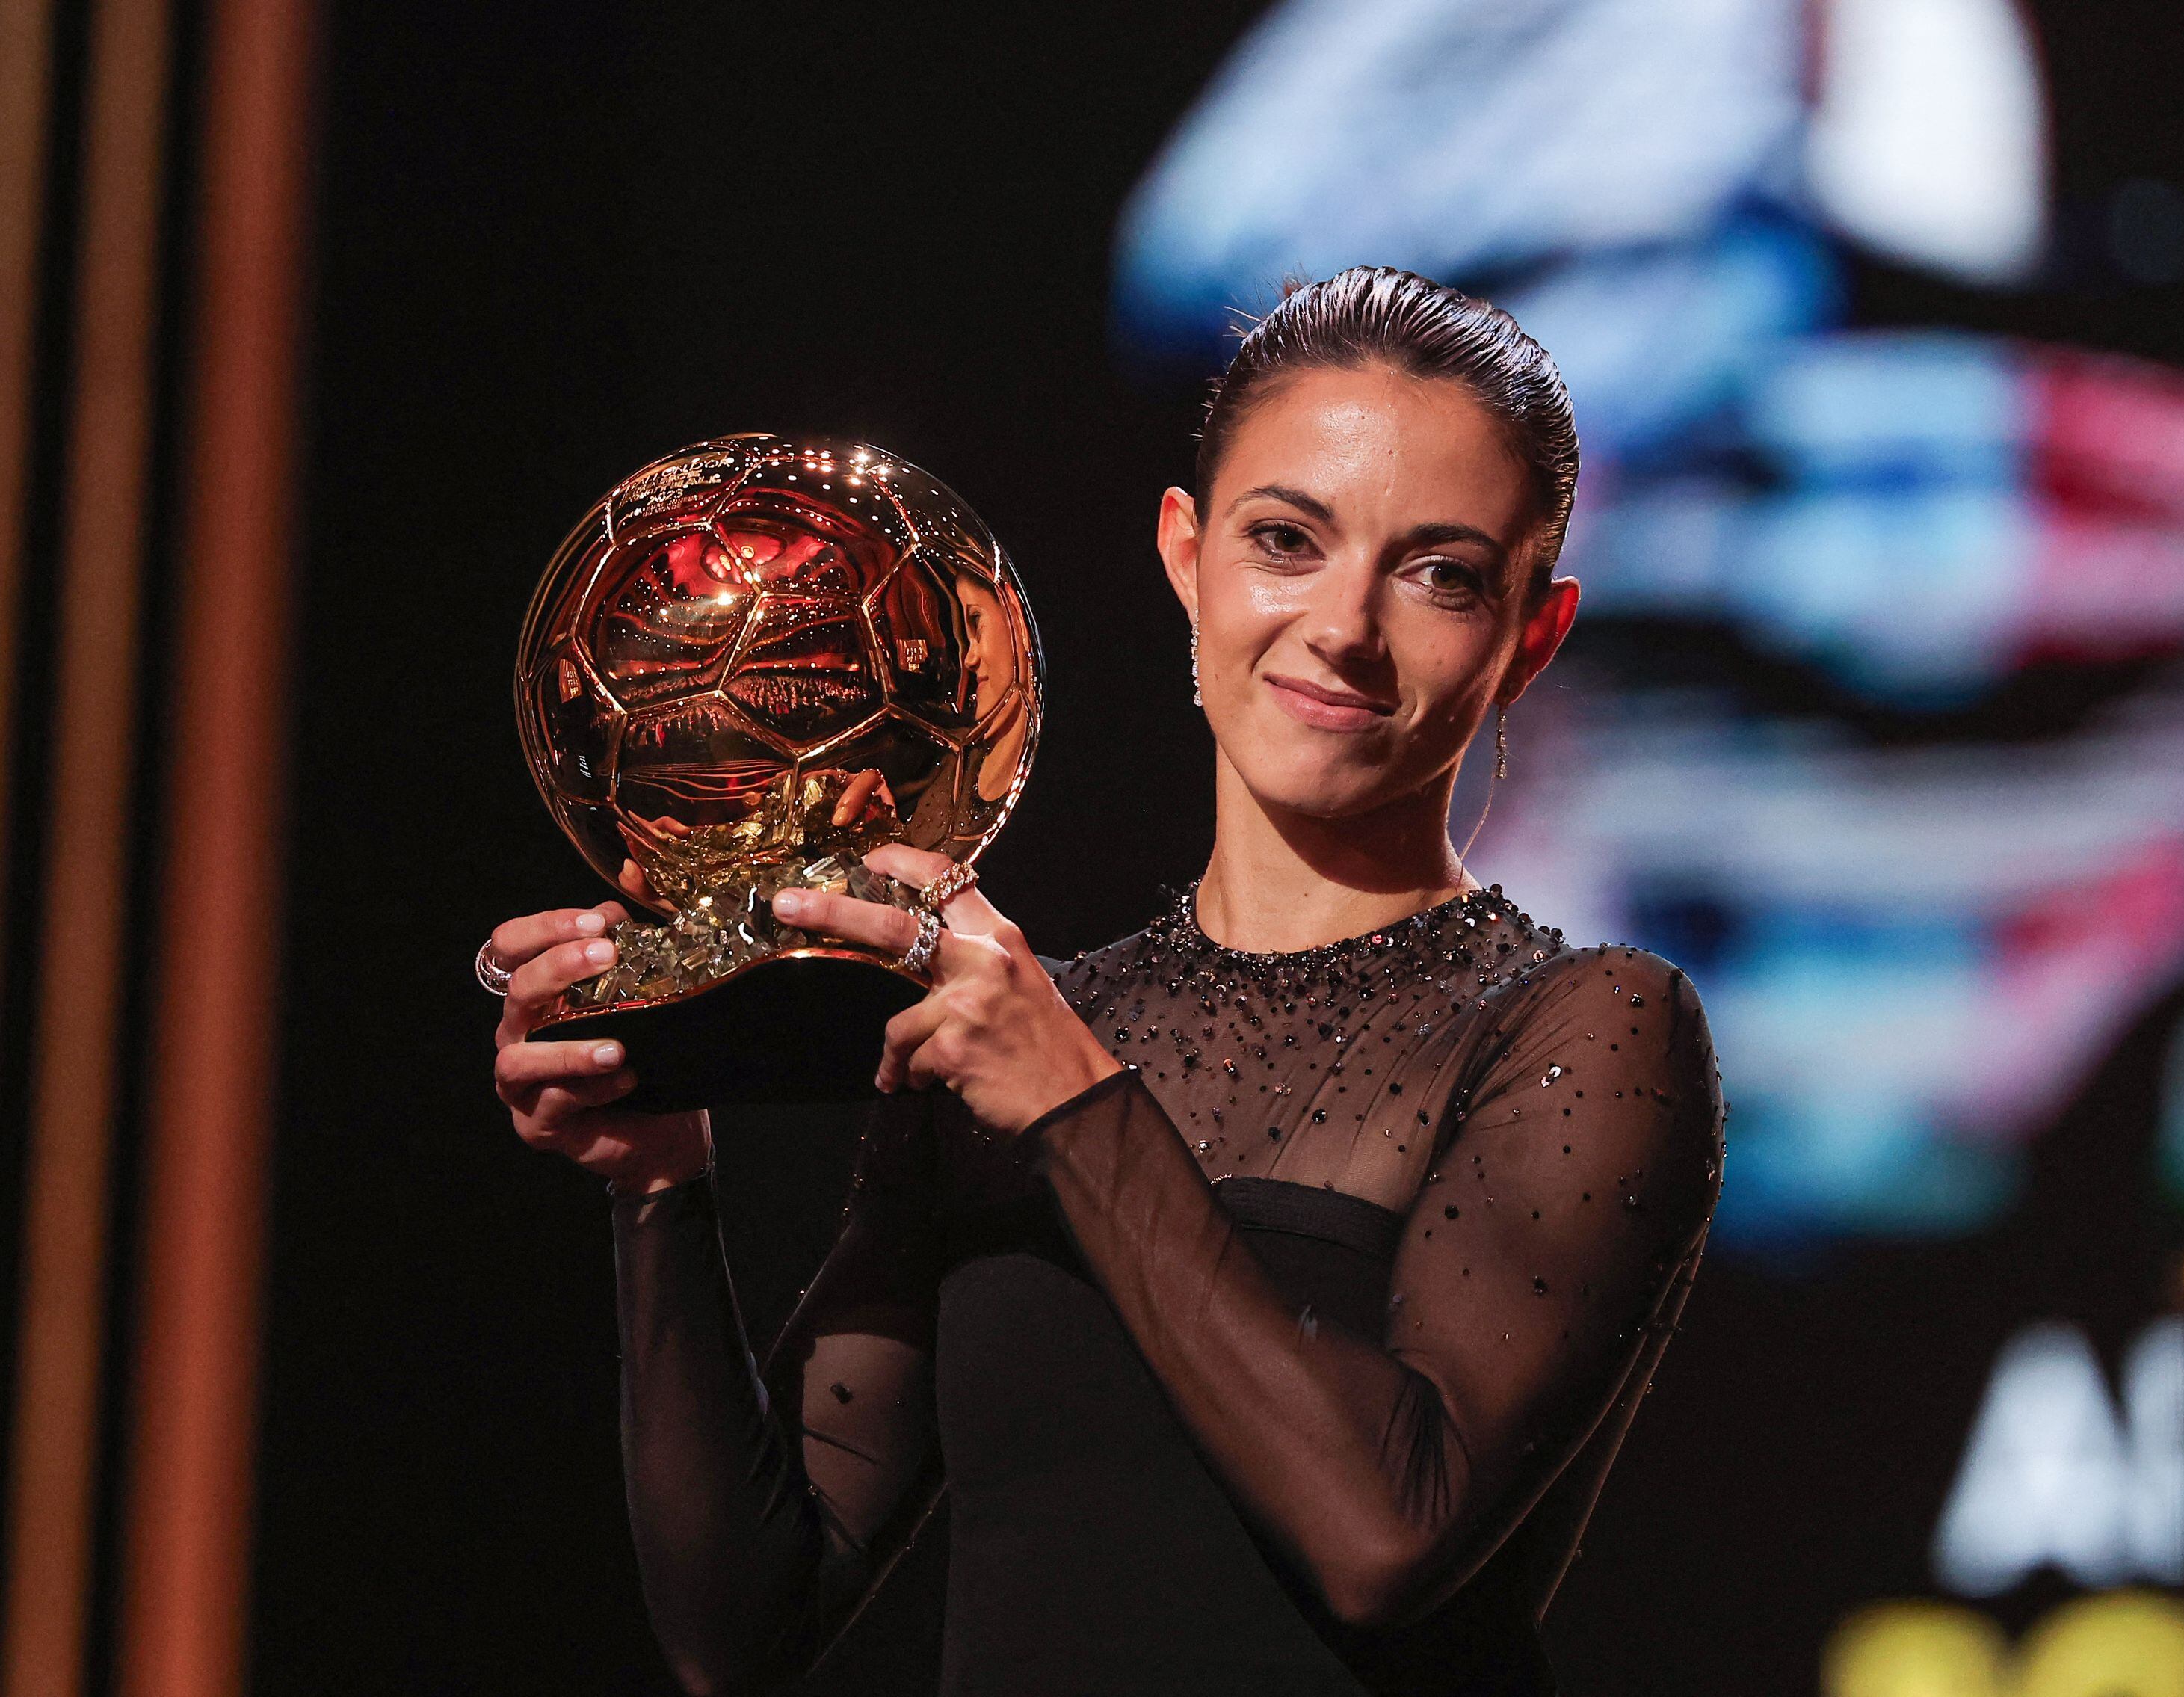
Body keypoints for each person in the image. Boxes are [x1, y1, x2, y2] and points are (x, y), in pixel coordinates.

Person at [484, 267, 1724, 1696]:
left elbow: (1389, 1539)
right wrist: (657, 1190)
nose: (1343, 626)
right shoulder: (1018, 1039)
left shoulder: (1587, 1031)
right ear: (1185, 555)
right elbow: (745, 1621)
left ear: (1530, 636)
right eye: (1286, 540)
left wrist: (1075, 1108)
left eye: (1439, 573)